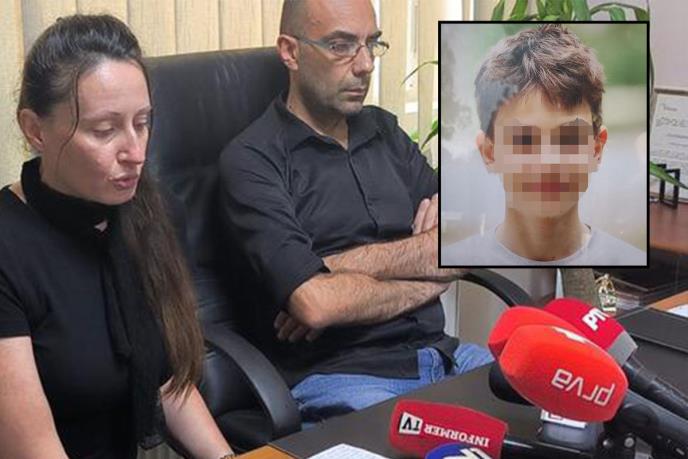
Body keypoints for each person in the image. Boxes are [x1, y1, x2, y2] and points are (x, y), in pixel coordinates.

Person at [219, 0, 492, 426]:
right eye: (341, 46)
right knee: (446, 448)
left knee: (558, 414)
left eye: (372, 44)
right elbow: (317, 305)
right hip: (345, 379)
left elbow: (473, 236)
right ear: (290, 51)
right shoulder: (253, 161)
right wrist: (429, 273)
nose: (365, 65)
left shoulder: (385, 132)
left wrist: (332, 269)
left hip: (445, 357)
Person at [0, 15, 234, 459]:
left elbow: (166, 382)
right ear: (35, 130)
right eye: (104, 131)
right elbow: (32, 448)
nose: (136, 152)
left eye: (142, 123)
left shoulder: (154, 212)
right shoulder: (9, 246)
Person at [442, 24, 645, 266]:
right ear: (489, 152)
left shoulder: (629, 261)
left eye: (568, 138)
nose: (548, 162)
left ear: (596, 149)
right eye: (524, 140)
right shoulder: (457, 263)